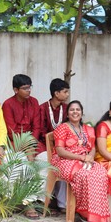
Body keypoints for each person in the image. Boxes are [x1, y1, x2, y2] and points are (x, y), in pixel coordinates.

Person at [50, 100, 111, 222]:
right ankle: (83, 211)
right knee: (84, 175)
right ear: (67, 114)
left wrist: (90, 156)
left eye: (78, 110)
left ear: (82, 113)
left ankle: (96, 213)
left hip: (85, 159)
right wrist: (81, 158)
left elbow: (93, 148)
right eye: (72, 110)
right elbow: (60, 151)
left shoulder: (88, 129)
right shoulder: (62, 128)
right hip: (65, 160)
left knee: (100, 172)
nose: (75, 112)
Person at [37, 78, 70, 211]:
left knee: (66, 164)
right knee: (45, 161)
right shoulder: (42, 108)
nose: (67, 94)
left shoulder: (67, 109)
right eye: (65, 92)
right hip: (44, 145)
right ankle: (41, 200)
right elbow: (40, 131)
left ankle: (62, 204)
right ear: (56, 93)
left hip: (62, 147)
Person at [2, 73, 42, 148]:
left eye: (29, 87)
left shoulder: (34, 101)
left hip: (33, 140)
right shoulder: (8, 104)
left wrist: (32, 141)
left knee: (45, 155)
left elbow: (36, 126)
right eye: (25, 88)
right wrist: (25, 143)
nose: (29, 90)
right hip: (15, 141)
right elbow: (11, 131)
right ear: (16, 90)